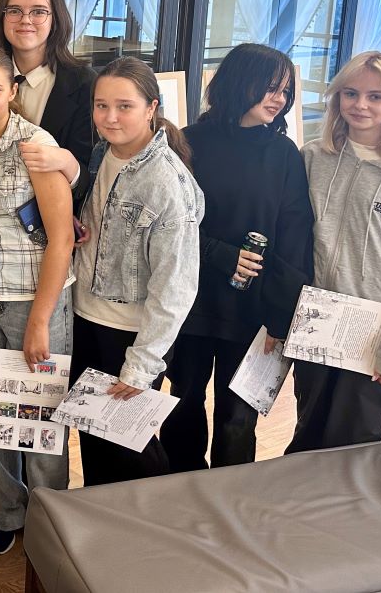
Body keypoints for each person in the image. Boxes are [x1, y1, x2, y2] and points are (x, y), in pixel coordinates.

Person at [160, 44, 313, 471]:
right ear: (238, 82)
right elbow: (169, 223)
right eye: (270, 87)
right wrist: (219, 254)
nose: (279, 99)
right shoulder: (188, 142)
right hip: (189, 301)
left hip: (254, 309)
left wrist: (283, 315)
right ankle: (179, 488)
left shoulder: (284, 155)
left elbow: (295, 238)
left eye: (285, 91)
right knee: (183, 403)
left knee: (238, 419)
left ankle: (230, 499)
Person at [287, 51, 381, 454]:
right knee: (306, 442)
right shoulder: (312, 158)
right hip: (316, 326)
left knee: (356, 454)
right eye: (350, 93)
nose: (360, 105)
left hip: (372, 338)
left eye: (376, 96)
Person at [0, 48, 74, 555]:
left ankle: (51, 522)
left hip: (34, 299)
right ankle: (5, 511)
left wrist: (40, 320)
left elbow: (62, 239)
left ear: (12, 91)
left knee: (40, 420)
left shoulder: (36, 146)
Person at [71, 56, 203, 486]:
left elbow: (176, 287)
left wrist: (141, 365)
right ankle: (100, 516)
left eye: (124, 106)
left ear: (152, 108)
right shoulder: (100, 155)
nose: (110, 117)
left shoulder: (166, 182)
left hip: (129, 335)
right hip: (85, 319)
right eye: (101, 105)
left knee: (131, 448)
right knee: (93, 435)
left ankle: (156, 523)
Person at [0, 0, 94, 195]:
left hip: (57, 208)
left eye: (38, 12)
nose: (25, 20)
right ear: (1, 17)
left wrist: (67, 162)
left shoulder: (85, 84)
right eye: (14, 11)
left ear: (55, 19)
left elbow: (90, 176)